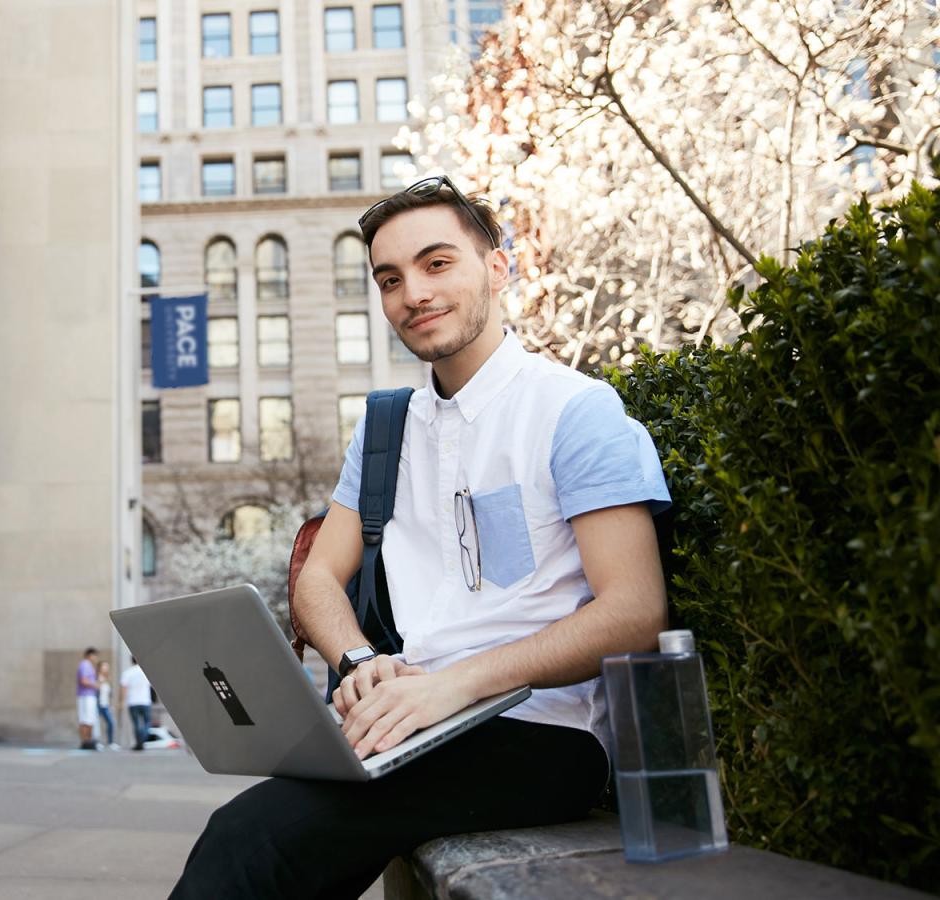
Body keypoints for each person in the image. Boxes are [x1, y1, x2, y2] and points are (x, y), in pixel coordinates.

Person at [168, 176, 671, 899]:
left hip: (542, 733)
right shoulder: (386, 427)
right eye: (390, 278)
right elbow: (317, 580)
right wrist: (360, 659)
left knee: (252, 843)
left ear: (496, 268)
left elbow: (634, 612)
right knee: (260, 841)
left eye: (438, 264)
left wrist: (455, 687)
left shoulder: (576, 410)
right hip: (413, 722)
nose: (414, 293)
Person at [119, 656, 153, 751]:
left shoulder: (127, 673)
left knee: (136, 724)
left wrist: (122, 701)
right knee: (147, 723)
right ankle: (142, 740)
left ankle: (139, 742)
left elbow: (123, 688)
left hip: (132, 701)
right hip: (145, 701)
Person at [75, 647, 100, 750]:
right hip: (87, 696)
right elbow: (84, 681)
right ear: (90, 655)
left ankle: (86, 741)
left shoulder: (86, 665)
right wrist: (95, 685)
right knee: (88, 719)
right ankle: (87, 741)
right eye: (95, 656)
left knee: (85, 719)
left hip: (85, 696)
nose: (96, 658)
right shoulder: (85, 665)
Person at [96, 661, 119, 750]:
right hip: (98, 704)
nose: (106, 668)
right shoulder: (96, 677)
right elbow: (96, 689)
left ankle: (110, 742)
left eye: (107, 666)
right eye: (104, 666)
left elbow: (109, 693)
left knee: (111, 722)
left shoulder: (107, 680)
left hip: (105, 705)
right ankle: (97, 742)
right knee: (97, 725)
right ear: (100, 668)